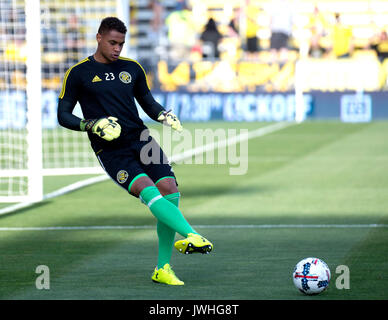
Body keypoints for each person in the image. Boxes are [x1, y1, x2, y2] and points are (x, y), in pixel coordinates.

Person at [57, 17, 213, 286]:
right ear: (99, 38)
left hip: (141, 139)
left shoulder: (132, 68)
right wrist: (91, 124)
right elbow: (62, 115)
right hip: (110, 148)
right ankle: (191, 234)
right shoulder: (78, 73)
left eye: (121, 44)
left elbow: (147, 102)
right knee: (146, 188)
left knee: (169, 189)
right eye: (112, 43)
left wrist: (163, 114)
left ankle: (162, 268)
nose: (117, 48)